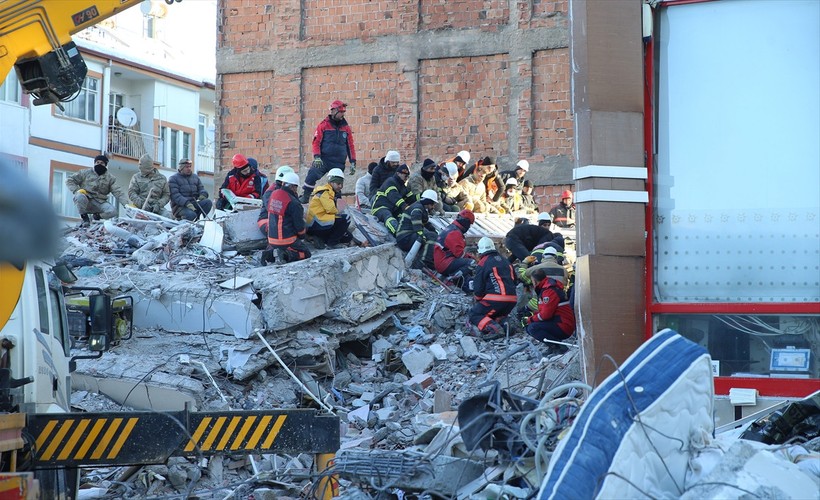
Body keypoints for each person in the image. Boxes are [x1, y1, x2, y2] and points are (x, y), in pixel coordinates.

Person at [301, 100, 356, 202]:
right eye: (341, 112)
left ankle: (337, 201)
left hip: (338, 162)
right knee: (312, 174)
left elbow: (350, 145)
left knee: (337, 183)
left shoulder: (346, 128)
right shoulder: (323, 125)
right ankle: (305, 196)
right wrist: (317, 157)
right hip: (324, 160)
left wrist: (353, 162)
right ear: (333, 111)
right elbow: (316, 142)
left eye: (344, 112)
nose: (342, 114)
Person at [468, 237, 517, 340]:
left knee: (475, 314)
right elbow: (514, 280)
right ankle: (506, 325)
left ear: (480, 251)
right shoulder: (506, 261)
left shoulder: (483, 263)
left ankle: (494, 329)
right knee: (495, 314)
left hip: (496, 299)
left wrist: (478, 299)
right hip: (512, 299)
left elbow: (478, 288)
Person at [264, 171, 311, 265]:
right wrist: (302, 236)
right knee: (306, 253)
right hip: (286, 240)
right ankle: (286, 254)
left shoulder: (273, 194)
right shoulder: (293, 202)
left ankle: (270, 255)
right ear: (293, 187)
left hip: (271, 240)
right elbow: (299, 226)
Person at [524, 267, 575, 353]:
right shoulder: (548, 288)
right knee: (530, 326)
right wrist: (533, 315)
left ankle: (559, 347)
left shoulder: (549, 291)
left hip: (563, 325)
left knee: (532, 328)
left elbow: (546, 315)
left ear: (535, 281)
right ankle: (554, 346)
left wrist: (530, 319)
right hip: (562, 323)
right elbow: (546, 310)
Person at [66, 154, 127, 224]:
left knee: (113, 211)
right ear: (94, 163)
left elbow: (118, 192)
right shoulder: (85, 173)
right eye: (97, 162)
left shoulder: (110, 178)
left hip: (100, 203)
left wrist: (126, 205)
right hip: (86, 200)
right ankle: (84, 218)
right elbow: (69, 180)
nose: (99, 164)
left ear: (105, 165)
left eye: (102, 163)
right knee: (79, 196)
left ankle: (95, 217)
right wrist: (77, 190)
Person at [306, 168, 353, 248]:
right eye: (338, 184)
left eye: (341, 184)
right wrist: (339, 212)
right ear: (331, 182)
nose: (340, 186)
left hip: (319, 223)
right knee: (347, 218)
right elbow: (331, 209)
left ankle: (321, 239)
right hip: (317, 223)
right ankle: (332, 243)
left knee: (348, 237)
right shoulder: (325, 192)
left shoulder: (329, 192)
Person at [394, 190, 439, 269]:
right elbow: (417, 227)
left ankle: (426, 258)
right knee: (431, 237)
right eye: (433, 204)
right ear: (429, 202)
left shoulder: (420, 208)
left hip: (405, 237)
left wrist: (436, 233)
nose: (433, 207)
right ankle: (423, 262)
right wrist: (426, 236)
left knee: (432, 235)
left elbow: (426, 223)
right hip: (405, 239)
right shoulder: (417, 209)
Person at [434, 209, 476, 292]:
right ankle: (451, 278)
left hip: (443, 261)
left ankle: (462, 282)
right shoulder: (455, 233)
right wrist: (473, 258)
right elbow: (460, 254)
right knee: (472, 263)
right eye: (469, 224)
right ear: (466, 222)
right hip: (445, 263)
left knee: (466, 270)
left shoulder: (451, 229)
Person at [371, 163, 413, 234]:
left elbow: (411, 198)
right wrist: (404, 206)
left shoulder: (403, 187)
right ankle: (398, 234)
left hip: (393, 209)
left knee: (404, 217)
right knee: (387, 216)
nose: (406, 178)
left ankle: (409, 233)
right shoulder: (390, 182)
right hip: (380, 208)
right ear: (398, 173)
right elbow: (393, 196)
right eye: (405, 176)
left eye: (408, 176)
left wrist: (423, 198)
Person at [258, 165, 294, 236]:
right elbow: (272, 210)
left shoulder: (287, 190)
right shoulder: (270, 192)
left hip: (279, 220)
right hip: (267, 220)